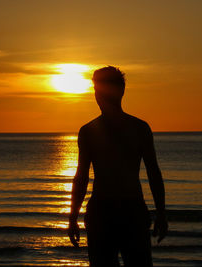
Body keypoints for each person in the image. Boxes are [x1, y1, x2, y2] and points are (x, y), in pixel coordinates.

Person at [68, 66, 168, 267]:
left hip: (122, 213)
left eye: (100, 90)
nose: (97, 96)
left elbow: (153, 172)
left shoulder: (136, 129)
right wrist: (161, 213)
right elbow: (81, 177)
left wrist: (73, 217)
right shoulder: (135, 128)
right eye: (96, 90)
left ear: (120, 91)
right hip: (111, 213)